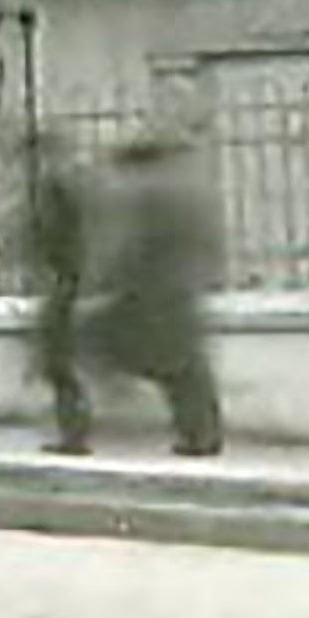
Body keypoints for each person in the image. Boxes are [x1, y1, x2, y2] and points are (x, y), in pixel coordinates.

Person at [76, 120, 230, 458]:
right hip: (181, 285)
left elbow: (124, 243)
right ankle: (202, 434)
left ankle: (124, 398)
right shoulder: (190, 188)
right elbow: (208, 240)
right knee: (186, 366)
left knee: (110, 342)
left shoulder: (140, 192)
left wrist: (102, 280)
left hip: (147, 288)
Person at [24, 128, 100, 454]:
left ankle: (75, 435)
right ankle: (73, 431)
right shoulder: (69, 185)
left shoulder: (60, 188)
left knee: (58, 362)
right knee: (58, 362)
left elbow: (58, 236)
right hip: (69, 280)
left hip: (67, 282)